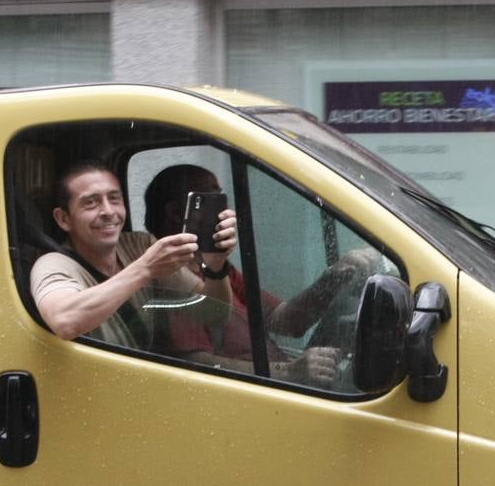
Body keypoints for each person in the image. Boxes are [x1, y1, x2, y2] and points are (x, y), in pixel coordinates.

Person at [144, 164, 372, 388]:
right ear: (176, 214)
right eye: (213, 201)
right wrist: (290, 372)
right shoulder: (170, 276)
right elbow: (192, 363)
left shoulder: (214, 267)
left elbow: (285, 320)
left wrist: (334, 277)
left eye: (223, 198)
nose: (225, 212)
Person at [30, 161, 237, 348]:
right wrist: (145, 269)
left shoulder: (139, 245)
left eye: (114, 199)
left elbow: (213, 314)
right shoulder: (52, 264)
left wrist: (215, 264)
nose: (108, 211)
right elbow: (65, 322)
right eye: (91, 203)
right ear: (63, 219)